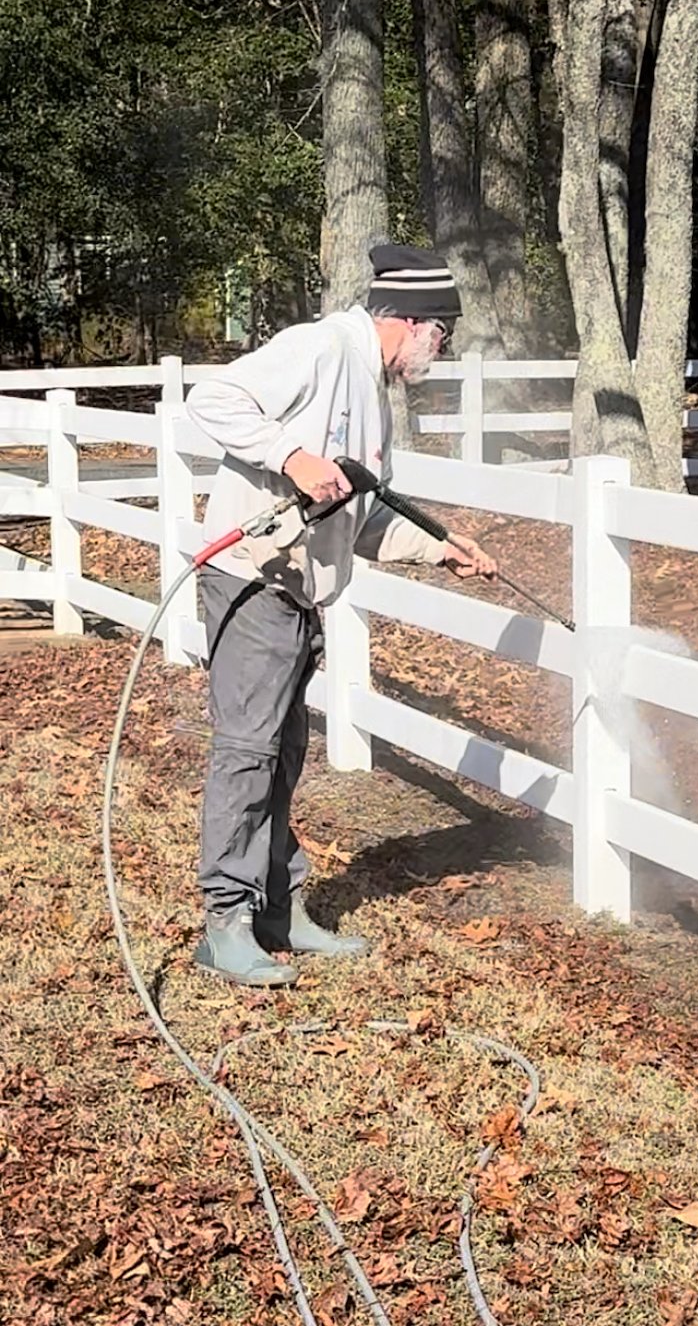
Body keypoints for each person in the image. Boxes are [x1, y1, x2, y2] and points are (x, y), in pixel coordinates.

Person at [185, 244, 497, 987]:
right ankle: (223, 922)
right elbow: (212, 399)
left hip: (299, 595)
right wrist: (292, 458)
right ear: (414, 323)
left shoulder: (372, 391)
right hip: (250, 582)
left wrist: (437, 549)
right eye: (441, 337)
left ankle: (276, 909)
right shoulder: (321, 348)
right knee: (249, 752)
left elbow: (353, 521)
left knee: (283, 755)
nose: (439, 352)